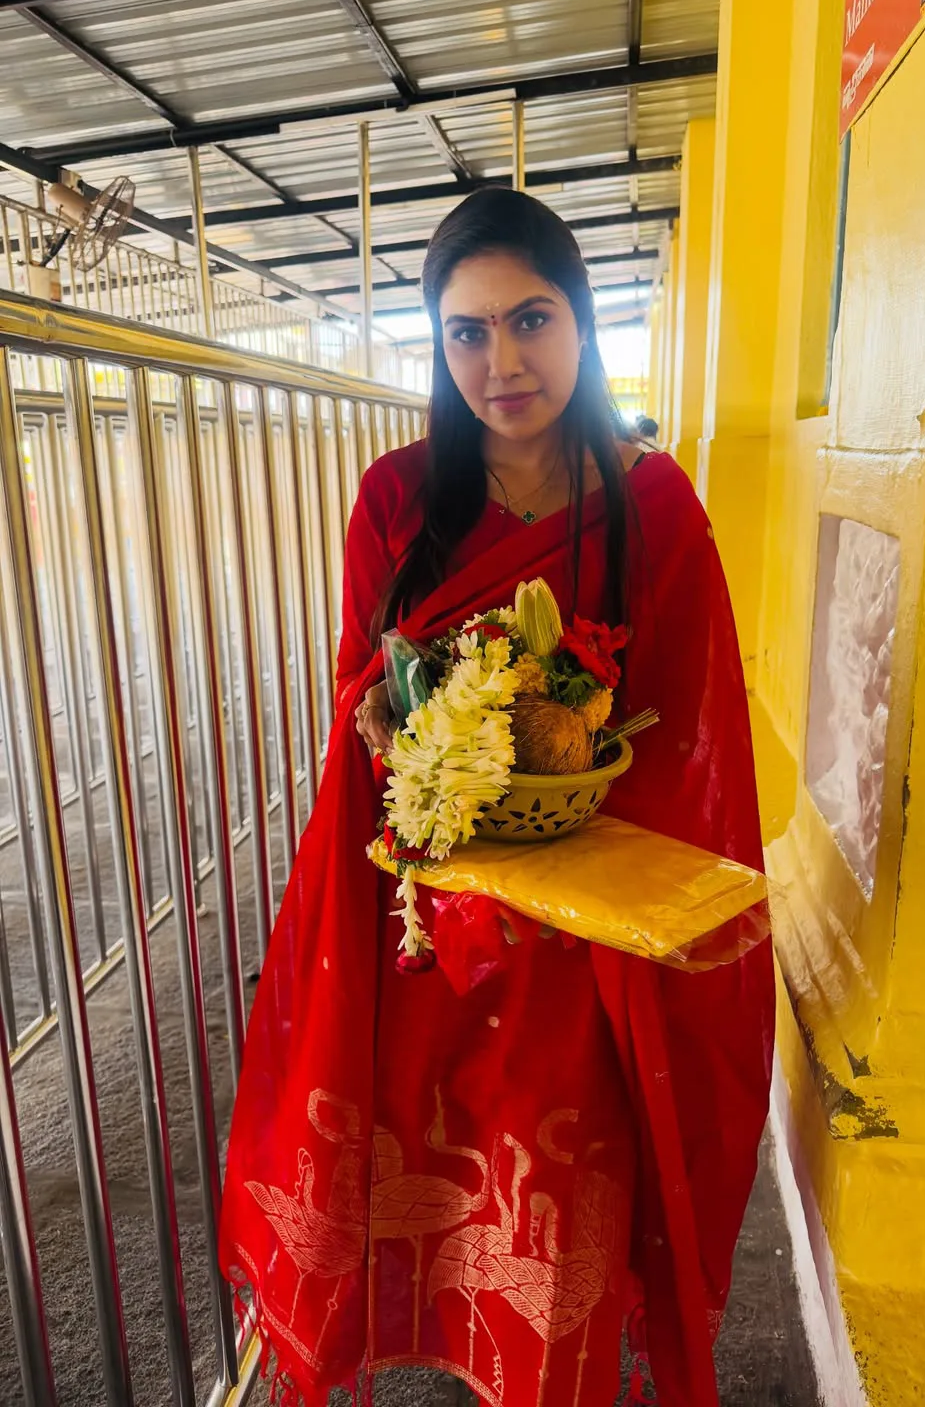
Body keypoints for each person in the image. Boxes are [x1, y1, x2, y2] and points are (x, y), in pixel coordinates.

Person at [219, 187, 774, 1407]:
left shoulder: (656, 505)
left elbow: (691, 740)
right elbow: (361, 684)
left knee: (546, 1177)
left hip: (575, 939)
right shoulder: (396, 496)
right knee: (425, 1154)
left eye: (531, 320)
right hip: (418, 910)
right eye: (465, 333)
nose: (502, 362)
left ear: (581, 321)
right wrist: (382, 713)